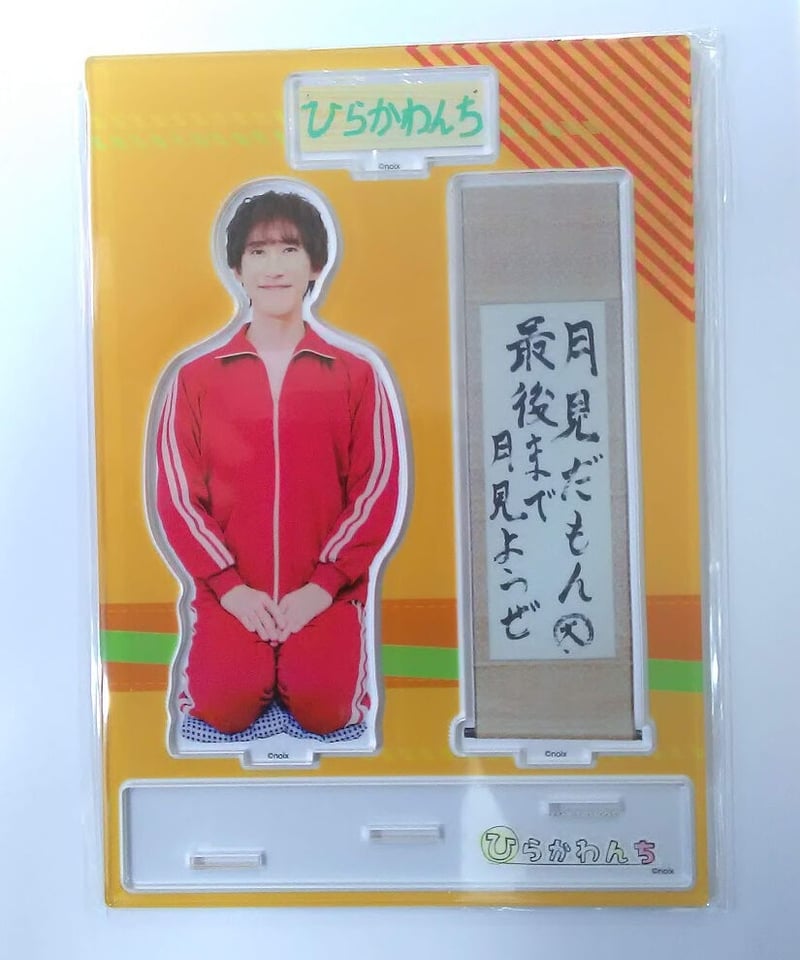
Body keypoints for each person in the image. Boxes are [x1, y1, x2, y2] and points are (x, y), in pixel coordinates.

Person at [153, 186, 403, 737]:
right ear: (236, 269)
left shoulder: (356, 374)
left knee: (327, 710)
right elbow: (178, 498)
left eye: (290, 249)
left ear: (315, 265)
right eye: (258, 251)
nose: (273, 267)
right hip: (230, 595)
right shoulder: (195, 379)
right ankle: (241, 657)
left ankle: (312, 658)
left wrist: (322, 587)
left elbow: (376, 488)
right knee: (222, 708)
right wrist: (230, 588)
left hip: (325, 592)